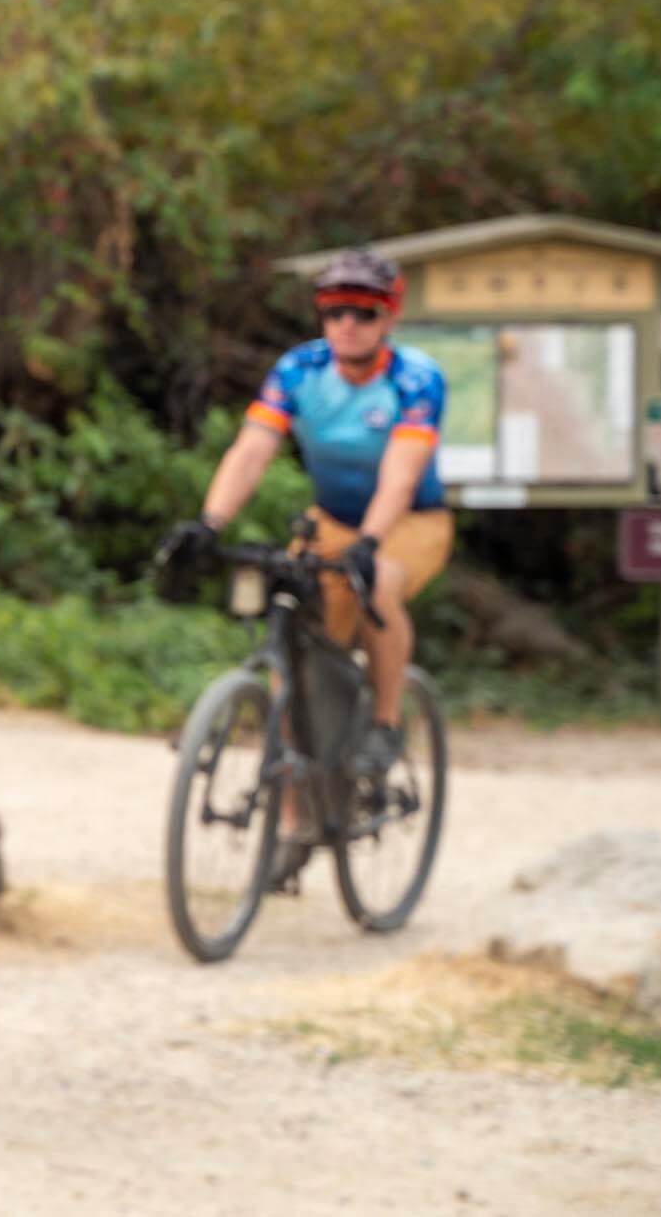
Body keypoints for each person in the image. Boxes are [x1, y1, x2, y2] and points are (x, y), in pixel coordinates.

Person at [160, 247, 450, 871]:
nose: (348, 323)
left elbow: (399, 478)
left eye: (364, 313)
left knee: (379, 586)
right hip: (329, 521)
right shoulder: (298, 370)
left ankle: (384, 718)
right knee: (289, 634)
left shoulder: (415, 378)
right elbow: (252, 450)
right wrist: (209, 522)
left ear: (388, 319)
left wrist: (370, 544)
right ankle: (295, 821)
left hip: (408, 522)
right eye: (334, 311)